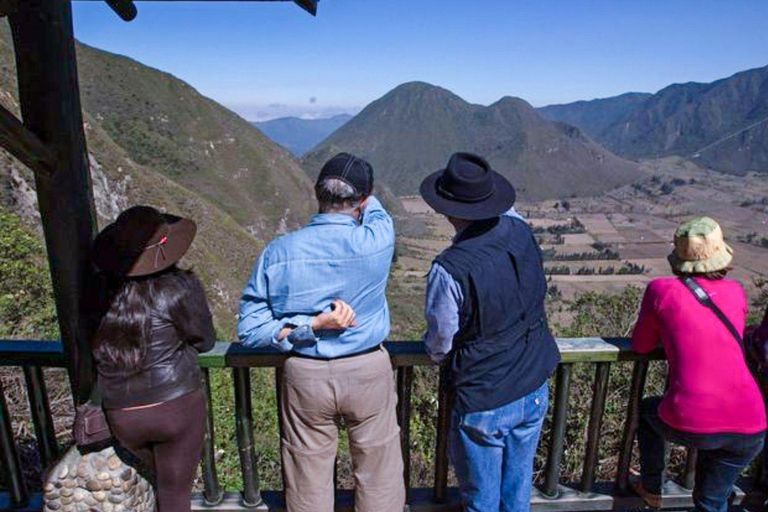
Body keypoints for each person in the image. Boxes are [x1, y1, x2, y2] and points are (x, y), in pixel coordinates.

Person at [238, 153, 404, 512]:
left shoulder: (278, 252)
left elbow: (249, 331)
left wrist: (309, 326)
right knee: (379, 475)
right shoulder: (376, 240)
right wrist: (366, 196)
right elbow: (377, 210)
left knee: (307, 476)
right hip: (367, 371)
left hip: (305, 373)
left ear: (317, 194)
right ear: (363, 199)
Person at [419, 152, 561, 512]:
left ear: (447, 210)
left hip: (485, 394)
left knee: (481, 500)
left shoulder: (449, 271)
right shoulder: (520, 232)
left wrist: (440, 358)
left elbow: (441, 342)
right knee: (517, 491)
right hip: (534, 382)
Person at [631, 216, 766, 512]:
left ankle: (652, 487)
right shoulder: (737, 291)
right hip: (751, 423)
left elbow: (641, 345)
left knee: (647, 412)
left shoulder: (660, 290)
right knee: (711, 501)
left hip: (692, 416)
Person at [87, 206, 215, 512]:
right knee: (174, 494)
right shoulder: (179, 288)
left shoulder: (99, 292)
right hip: (175, 409)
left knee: (156, 482)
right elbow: (205, 340)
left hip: (122, 413)